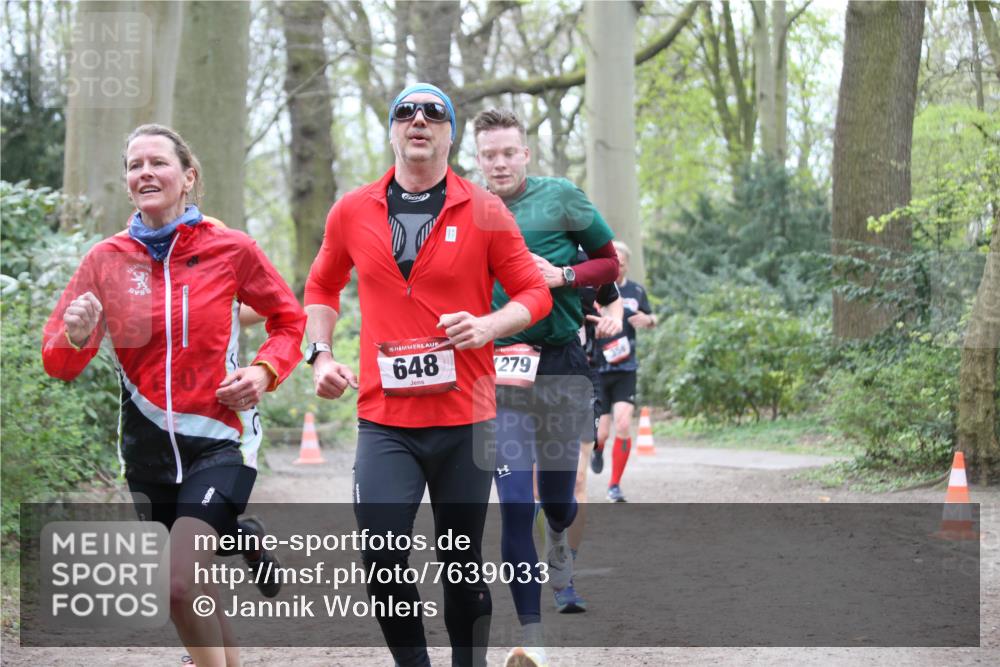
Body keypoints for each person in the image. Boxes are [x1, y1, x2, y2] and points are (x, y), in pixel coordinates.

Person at [304, 84, 551, 667]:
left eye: (434, 113)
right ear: (392, 130)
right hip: (384, 420)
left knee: (460, 562)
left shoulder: (485, 210)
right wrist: (321, 354)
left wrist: (490, 325)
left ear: (449, 134)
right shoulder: (351, 210)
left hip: (465, 416)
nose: (419, 120)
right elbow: (321, 285)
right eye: (406, 113)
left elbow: (534, 292)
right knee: (382, 554)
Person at [41, 124, 306, 667]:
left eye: (158, 163)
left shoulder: (230, 249)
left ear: (188, 177)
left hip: (220, 442)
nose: (145, 173)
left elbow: (289, 320)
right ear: (127, 182)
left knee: (177, 586)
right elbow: (59, 362)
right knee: (197, 592)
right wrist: (74, 333)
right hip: (147, 454)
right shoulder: (105, 260)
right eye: (135, 165)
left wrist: (262, 372)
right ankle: (240, 548)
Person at [473, 108, 619, 667]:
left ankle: (560, 540)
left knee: (556, 500)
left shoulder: (561, 198)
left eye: (509, 152)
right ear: (478, 159)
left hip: (560, 364)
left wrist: (563, 277)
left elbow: (608, 263)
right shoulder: (464, 205)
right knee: (514, 505)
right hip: (496, 370)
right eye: (490, 155)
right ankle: (532, 641)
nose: (501, 163)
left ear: (526, 153)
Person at [562, 272, 623, 613]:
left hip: (582, 375)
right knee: (539, 488)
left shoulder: (585, 259)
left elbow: (613, 300)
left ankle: (564, 572)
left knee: (577, 480)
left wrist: (612, 321)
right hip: (527, 376)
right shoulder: (517, 244)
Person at [592, 241, 656, 502]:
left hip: (625, 368)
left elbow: (651, 318)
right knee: (601, 433)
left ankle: (614, 485)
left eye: (621, 262)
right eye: (613, 261)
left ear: (627, 264)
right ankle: (597, 449)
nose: (617, 266)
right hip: (597, 367)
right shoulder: (595, 287)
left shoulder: (636, 291)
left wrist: (648, 320)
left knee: (622, 425)